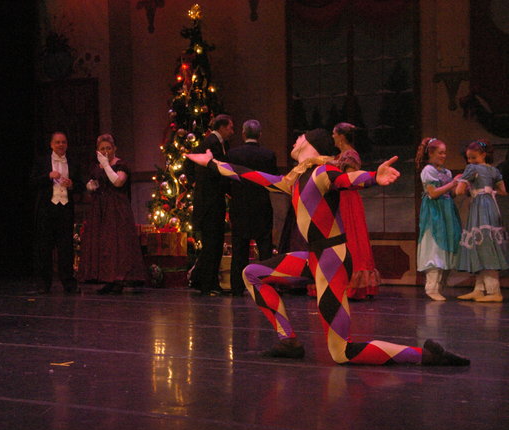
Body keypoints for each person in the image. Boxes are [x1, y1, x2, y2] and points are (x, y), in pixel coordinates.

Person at [187, 128, 469, 365]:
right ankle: (289, 342)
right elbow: (251, 176)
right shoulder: (294, 180)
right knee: (252, 273)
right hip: (315, 256)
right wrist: (211, 163)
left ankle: (425, 355)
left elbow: (345, 179)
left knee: (341, 352)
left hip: (331, 258)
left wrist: (373, 177)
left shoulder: (322, 171)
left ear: (311, 144)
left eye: (300, 137)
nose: (295, 139)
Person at [77, 134, 146, 294]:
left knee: (118, 243)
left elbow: (118, 182)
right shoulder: (97, 167)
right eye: (102, 149)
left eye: (108, 148)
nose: (106, 151)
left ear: (115, 149)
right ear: (98, 151)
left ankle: (119, 279)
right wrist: (90, 186)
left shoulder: (120, 165)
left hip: (117, 209)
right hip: (101, 210)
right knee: (105, 244)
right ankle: (108, 278)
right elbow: (94, 182)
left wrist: (106, 165)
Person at [226, 119, 277, 296]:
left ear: (243, 134)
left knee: (239, 249)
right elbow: (272, 181)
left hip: (240, 206)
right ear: (260, 134)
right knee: (265, 249)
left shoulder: (233, 154)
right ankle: (267, 285)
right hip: (261, 206)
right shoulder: (268, 155)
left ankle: (237, 287)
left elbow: (228, 179)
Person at [332, 122, 381, 300]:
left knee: (351, 236)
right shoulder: (341, 155)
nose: (332, 137)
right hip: (340, 197)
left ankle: (353, 283)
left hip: (347, 198)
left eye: (334, 133)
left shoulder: (350, 155)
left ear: (341, 136)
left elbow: (351, 179)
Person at [455, 139, 508, 302]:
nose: (470, 161)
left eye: (473, 157)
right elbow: (503, 191)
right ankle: (479, 289)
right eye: (468, 158)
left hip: (480, 207)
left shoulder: (471, 169)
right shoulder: (494, 170)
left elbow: (459, 191)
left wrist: (465, 184)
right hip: (491, 206)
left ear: (483, 155)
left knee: (485, 245)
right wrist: (489, 191)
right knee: (483, 244)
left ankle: (494, 292)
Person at [187, 114, 234, 295]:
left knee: (214, 243)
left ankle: (207, 281)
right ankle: (206, 283)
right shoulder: (211, 143)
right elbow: (215, 170)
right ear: (221, 127)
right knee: (212, 244)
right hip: (209, 202)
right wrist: (198, 184)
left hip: (213, 200)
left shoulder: (218, 143)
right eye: (230, 127)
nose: (232, 131)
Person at [30, 131, 82, 294]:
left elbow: (80, 185)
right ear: (51, 144)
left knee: (66, 247)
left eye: (63, 142)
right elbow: (32, 182)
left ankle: (68, 283)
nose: (61, 145)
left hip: (65, 209)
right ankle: (44, 284)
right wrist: (48, 176)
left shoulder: (73, 162)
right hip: (47, 209)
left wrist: (72, 185)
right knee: (44, 247)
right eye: (58, 142)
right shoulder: (42, 161)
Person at [415, 137, 462, 301]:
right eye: (440, 153)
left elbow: (450, 193)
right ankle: (431, 287)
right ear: (431, 153)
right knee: (434, 246)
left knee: (447, 245)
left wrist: (460, 185)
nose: (443, 156)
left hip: (447, 211)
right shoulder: (428, 170)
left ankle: (441, 286)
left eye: (445, 153)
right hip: (434, 212)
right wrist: (453, 183)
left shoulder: (446, 172)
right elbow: (433, 193)